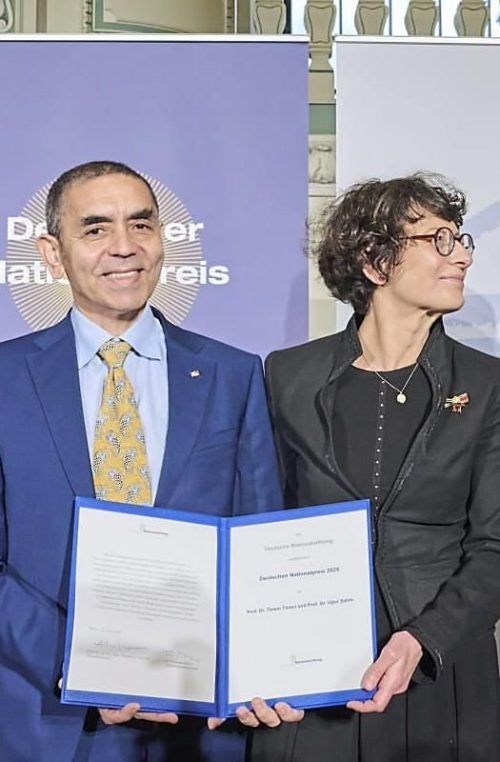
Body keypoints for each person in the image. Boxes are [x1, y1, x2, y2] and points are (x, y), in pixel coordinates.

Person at [0, 160, 300, 762]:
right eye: (95, 229)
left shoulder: (233, 374)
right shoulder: (6, 378)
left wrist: (266, 666)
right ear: (53, 254)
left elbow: (258, 542)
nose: (124, 247)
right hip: (48, 719)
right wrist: (78, 665)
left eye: (141, 225)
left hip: (199, 723)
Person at [249, 173, 500, 761]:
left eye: (461, 239)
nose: (462, 255)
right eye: (438, 240)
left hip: (438, 671)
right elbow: (257, 527)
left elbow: (495, 545)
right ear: (374, 260)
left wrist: (423, 639)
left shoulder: (488, 384)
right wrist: (253, 660)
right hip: (308, 677)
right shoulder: (286, 375)